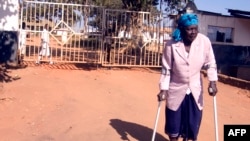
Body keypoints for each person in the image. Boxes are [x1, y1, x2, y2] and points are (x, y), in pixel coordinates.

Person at [157, 13, 218, 141]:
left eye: (195, 28)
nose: (193, 32)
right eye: (189, 29)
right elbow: (166, 69)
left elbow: (211, 63)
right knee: (174, 124)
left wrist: (212, 81)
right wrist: (163, 89)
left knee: (192, 124)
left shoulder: (204, 41)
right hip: (176, 88)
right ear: (181, 29)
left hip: (195, 88)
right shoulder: (171, 45)